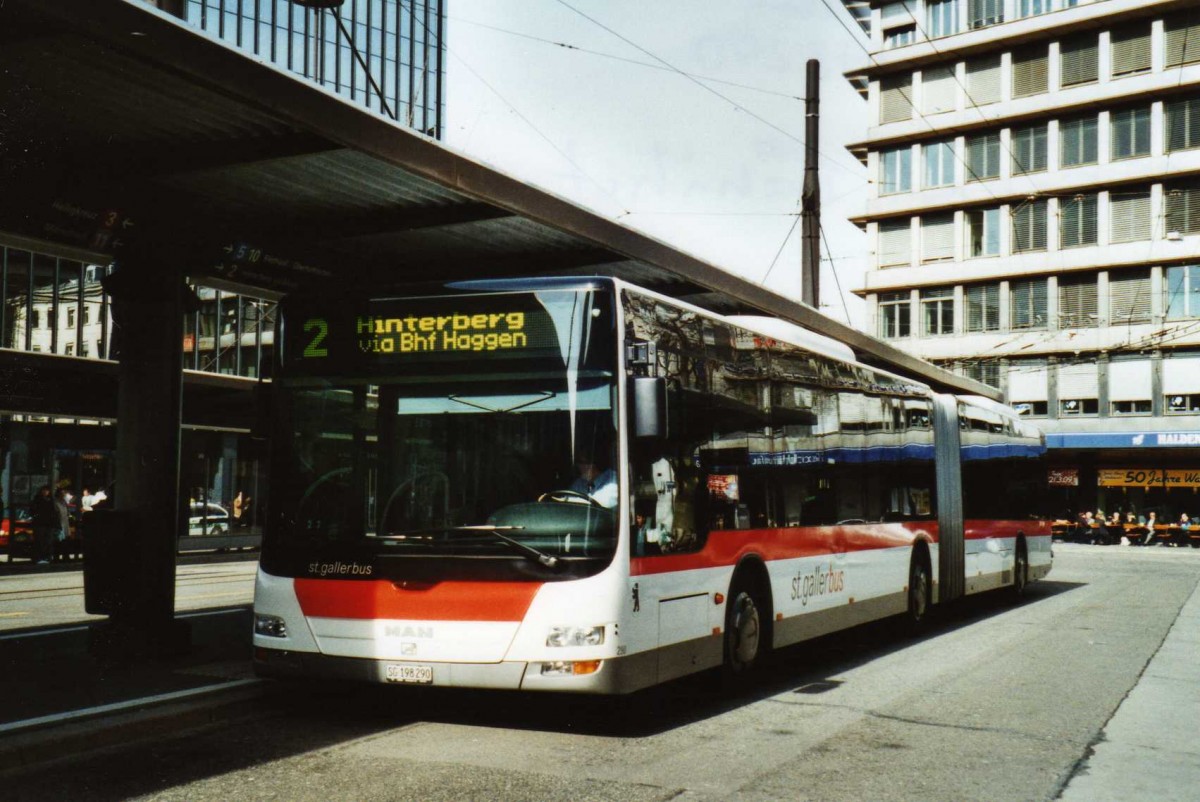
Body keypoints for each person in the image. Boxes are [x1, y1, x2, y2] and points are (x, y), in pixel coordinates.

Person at [30, 485, 56, 565]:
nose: (45, 492)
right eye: (44, 490)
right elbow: (33, 509)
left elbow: (53, 511)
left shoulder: (51, 500)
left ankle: (46, 557)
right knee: (39, 541)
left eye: (47, 491)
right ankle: (39, 557)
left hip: (48, 523)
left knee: (47, 541)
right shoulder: (38, 499)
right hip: (40, 523)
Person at [52, 487, 71, 561]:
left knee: (66, 540)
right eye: (62, 493)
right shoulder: (55, 502)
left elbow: (67, 512)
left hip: (65, 523)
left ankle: (65, 556)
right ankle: (56, 557)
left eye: (64, 493)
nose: (63, 495)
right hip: (59, 523)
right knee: (58, 541)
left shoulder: (64, 502)